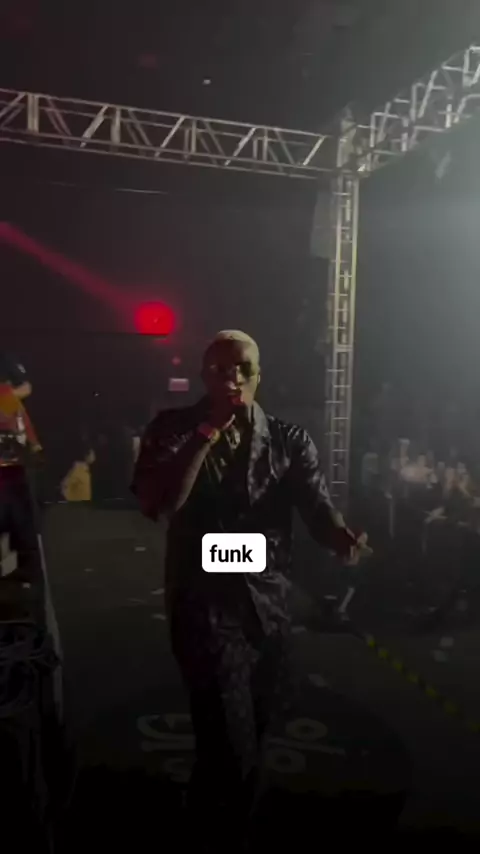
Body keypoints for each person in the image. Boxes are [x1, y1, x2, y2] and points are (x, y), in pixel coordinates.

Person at [132, 330, 370, 851]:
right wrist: (207, 432)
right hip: (202, 606)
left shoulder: (287, 439)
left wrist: (340, 537)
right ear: (204, 375)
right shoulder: (172, 428)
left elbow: (316, 507)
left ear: (259, 375)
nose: (233, 378)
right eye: (221, 369)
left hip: (267, 606)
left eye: (243, 368)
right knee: (232, 748)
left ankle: (204, 815)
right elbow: (163, 504)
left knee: (251, 735)